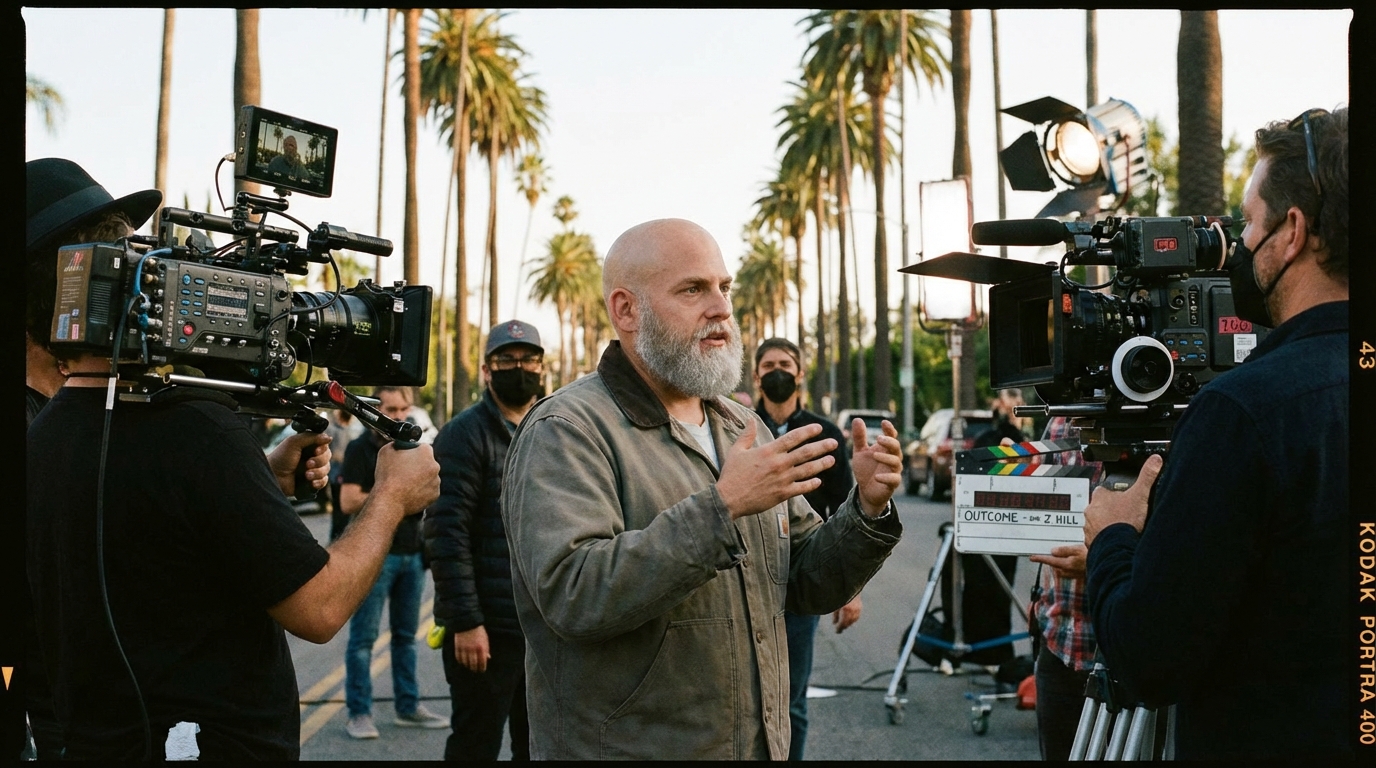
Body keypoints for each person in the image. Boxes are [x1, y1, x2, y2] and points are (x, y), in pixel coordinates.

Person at [25, 157, 441, 760]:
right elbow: (320, 607)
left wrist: (259, 474)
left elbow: (150, 533)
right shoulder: (195, 431)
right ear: (114, 275)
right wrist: (392, 496)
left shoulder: (48, 429)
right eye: (132, 250)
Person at [501, 218, 906, 760]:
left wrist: (868, 510)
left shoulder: (743, 427)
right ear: (626, 310)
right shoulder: (569, 429)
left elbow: (806, 579)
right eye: (693, 289)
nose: (721, 308)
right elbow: (574, 594)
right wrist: (724, 507)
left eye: (724, 287)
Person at [1083, 107, 1349, 759]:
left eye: (1249, 223)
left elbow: (1150, 658)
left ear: (1292, 233)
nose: (1240, 244)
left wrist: (1115, 537)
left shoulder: (1244, 411)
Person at [425, 320, 546, 761]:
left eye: (529, 359)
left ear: (542, 366)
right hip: (486, 631)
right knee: (475, 744)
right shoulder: (462, 435)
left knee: (537, 747)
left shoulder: (553, 426)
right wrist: (466, 621)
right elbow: (445, 533)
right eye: (507, 360)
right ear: (486, 370)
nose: (520, 369)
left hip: (541, 628)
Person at [750, 337, 860, 762]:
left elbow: (844, 515)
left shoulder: (824, 433)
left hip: (802, 577)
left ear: (799, 374)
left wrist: (849, 586)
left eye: (785, 363)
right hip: (750, 578)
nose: (777, 370)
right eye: (769, 364)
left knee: (791, 700)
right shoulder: (736, 428)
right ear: (757, 375)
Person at [339, 386, 451, 739]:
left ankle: (408, 706)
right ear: (376, 410)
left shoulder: (414, 450)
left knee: (404, 637)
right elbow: (347, 500)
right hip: (375, 556)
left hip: (411, 555)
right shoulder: (360, 449)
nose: (399, 416)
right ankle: (359, 713)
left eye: (404, 409)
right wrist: (392, 493)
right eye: (391, 409)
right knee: (363, 640)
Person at [1025, 417, 1103, 761]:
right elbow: (1036, 507)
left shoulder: (1171, 422)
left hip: (1127, 648)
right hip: (1059, 638)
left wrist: (1101, 558)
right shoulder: (1060, 425)